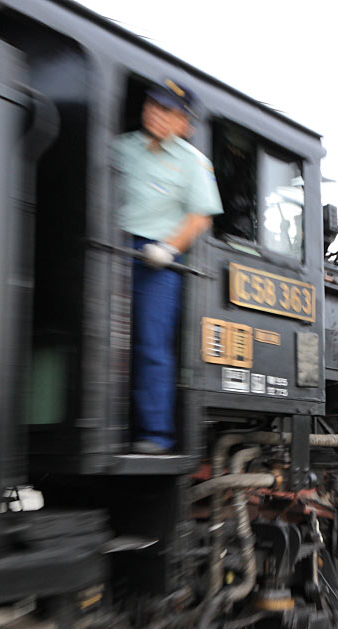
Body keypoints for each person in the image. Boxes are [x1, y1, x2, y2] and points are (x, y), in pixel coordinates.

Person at [113, 79, 223, 454]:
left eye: (169, 112)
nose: (158, 116)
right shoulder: (121, 148)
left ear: (185, 124)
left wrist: (167, 249)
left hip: (157, 259)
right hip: (113, 245)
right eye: (154, 106)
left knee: (151, 343)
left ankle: (154, 434)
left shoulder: (193, 162)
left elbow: (199, 218)